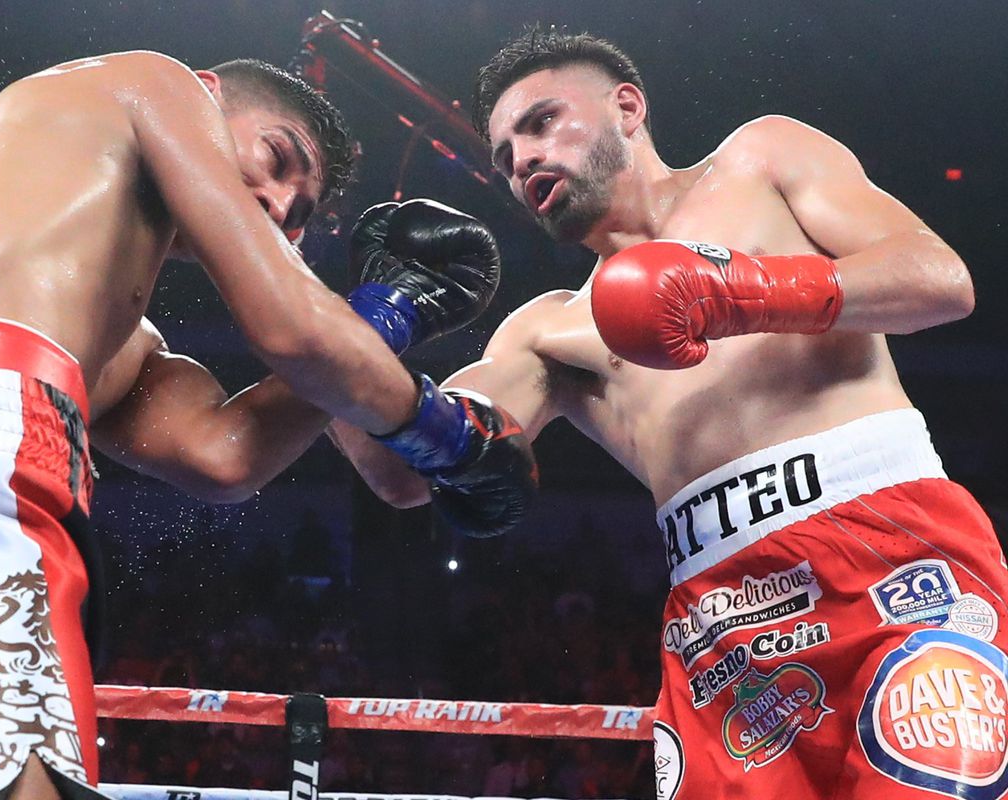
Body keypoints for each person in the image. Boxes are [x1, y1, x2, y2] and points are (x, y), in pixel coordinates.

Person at [0, 50, 535, 800]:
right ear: (209, 96)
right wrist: (450, 437)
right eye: (277, 157)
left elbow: (226, 453)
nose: (283, 206)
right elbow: (292, 330)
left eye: (303, 211)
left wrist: (385, 316)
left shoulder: (100, 333)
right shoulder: (155, 82)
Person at [332, 26, 1005, 799]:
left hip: (894, 557)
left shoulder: (761, 158)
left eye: (541, 122)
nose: (520, 160)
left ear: (627, 107)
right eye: (504, 155)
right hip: (720, 628)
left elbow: (939, 278)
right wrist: (354, 326)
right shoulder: (549, 329)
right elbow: (399, 472)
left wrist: (736, 291)